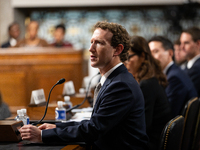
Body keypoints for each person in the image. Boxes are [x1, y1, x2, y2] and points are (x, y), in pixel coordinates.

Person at [19, 21, 148, 150]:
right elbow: (94, 123)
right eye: (92, 42)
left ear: (117, 50)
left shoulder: (120, 85)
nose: (91, 48)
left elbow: (93, 129)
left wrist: (42, 135)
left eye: (99, 43)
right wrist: (57, 127)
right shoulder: (115, 79)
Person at [124, 36, 171, 150]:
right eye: (123, 58)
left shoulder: (147, 84)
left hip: (150, 144)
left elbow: (142, 126)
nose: (126, 62)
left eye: (129, 57)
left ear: (143, 56)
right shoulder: (150, 78)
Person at [148, 36, 197, 117]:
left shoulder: (174, 77)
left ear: (170, 53)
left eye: (155, 51)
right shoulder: (174, 71)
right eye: (150, 53)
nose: (151, 57)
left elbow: (168, 114)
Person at [180, 27, 200, 97]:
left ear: (198, 44)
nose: (182, 47)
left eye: (186, 43)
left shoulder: (196, 68)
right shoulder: (187, 65)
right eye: (181, 43)